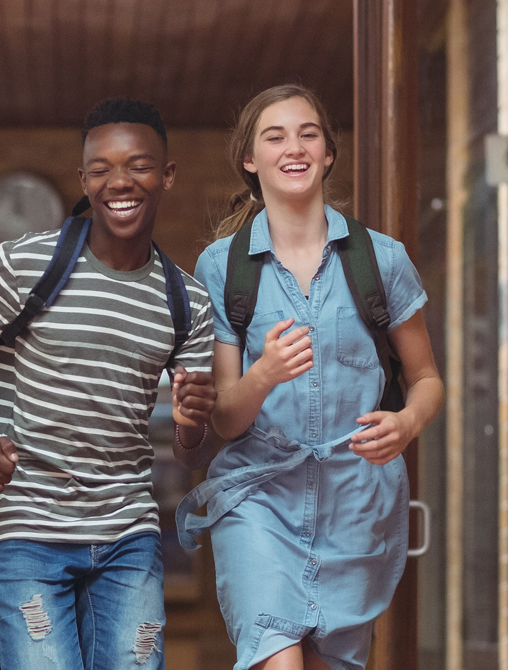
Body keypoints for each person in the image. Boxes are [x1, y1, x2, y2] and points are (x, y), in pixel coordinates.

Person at [0, 98, 219, 670]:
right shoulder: (22, 264)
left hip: (127, 529)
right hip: (26, 523)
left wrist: (191, 423)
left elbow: (190, 454)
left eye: (138, 165)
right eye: (102, 168)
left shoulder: (188, 302)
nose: (120, 181)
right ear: (84, 178)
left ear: (167, 175)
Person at [183, 84, 444, 670]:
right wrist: (265, 376)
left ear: (329, 152)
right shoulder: (222, 266)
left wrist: (406, 423)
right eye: (274, 137)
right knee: (279, 658)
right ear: (250, 160)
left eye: (308, 133)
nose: (293, 147)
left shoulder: (382, 260)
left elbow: (427, 378)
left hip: (356, 503)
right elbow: (225, 416)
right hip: (259, 495)